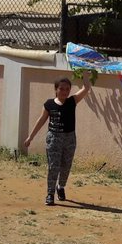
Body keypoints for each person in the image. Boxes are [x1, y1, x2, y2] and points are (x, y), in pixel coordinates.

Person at [23, 75, 93, 206]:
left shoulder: (73, 101)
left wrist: (84, 72)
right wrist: (30, 137)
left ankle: (61, 187)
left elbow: (87, 87)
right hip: (54, 138)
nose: (65, 92)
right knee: (53, 166)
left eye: (67, 89)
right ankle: (50, 194)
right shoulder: (49, 104)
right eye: (61, 89)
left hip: (69, 138)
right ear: (56, 89)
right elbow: (41, 121)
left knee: (66, 166)